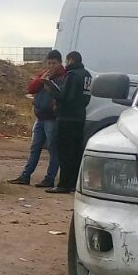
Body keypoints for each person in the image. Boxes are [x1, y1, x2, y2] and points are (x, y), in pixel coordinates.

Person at [10, 50, 64, 187]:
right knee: (35, 148)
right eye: (49, 63)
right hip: (40, 117)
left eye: (54, 63)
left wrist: (51, 84)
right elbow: (31, 89)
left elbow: (60, 94)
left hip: (52, 118)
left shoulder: (63, 77)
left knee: (53, 148)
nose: (51, 66)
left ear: (60, 63)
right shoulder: (43, 75)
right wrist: (41, 80)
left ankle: (50, 178)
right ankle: (25, 175)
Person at [45, 50, 92, 194]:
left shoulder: (72, 75)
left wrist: (50, 88)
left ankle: (63, 184)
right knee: (76, 151)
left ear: (70, 60)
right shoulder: (87, 75)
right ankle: (73, 183)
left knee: (64, 151)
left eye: (66, 61)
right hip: (80, 116)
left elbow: (64, 96)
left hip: (67, 117)